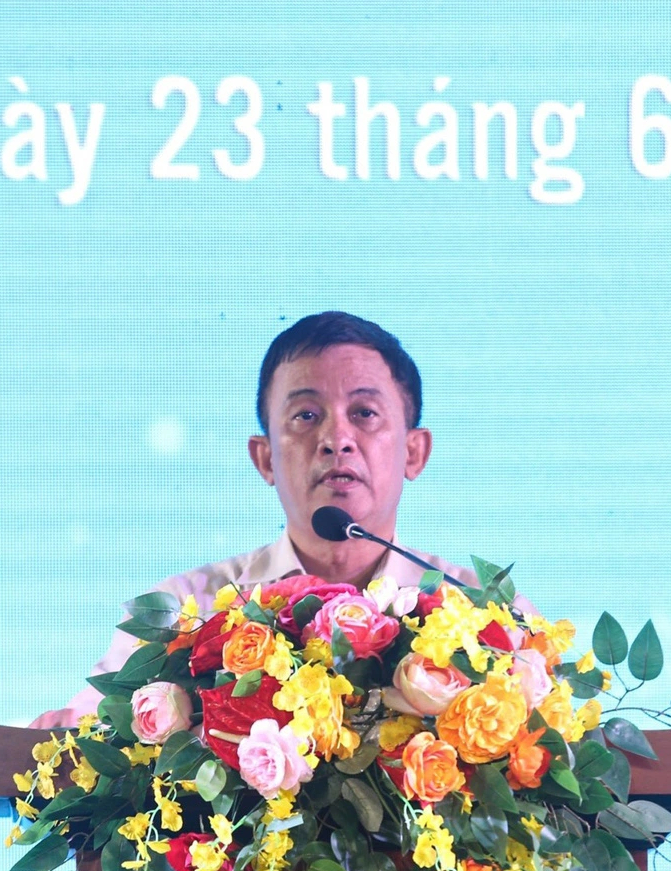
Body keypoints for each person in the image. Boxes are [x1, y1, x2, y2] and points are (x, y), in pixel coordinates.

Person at [31, 311, 473, 727]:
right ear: (265, 459)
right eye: (306, 416)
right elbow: (88, 734)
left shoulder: (480, 616)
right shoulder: (187, 612)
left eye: (364, 414)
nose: (337, 439)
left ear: (414, 452)